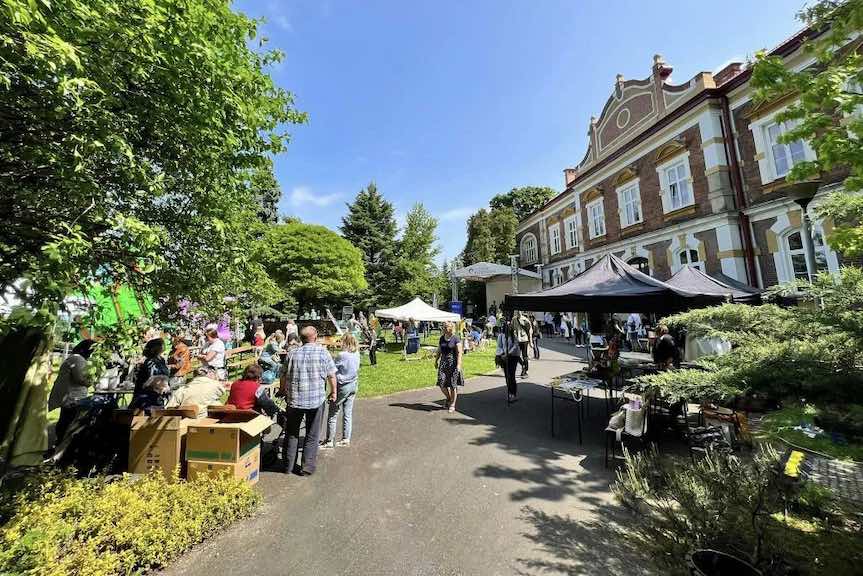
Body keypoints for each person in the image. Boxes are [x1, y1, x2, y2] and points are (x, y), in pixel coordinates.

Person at [279, 326, 337, 476]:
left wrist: (282, 389)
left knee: (291, 433)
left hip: (294, 400)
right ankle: (307, 467)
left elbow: (283, 375)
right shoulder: (323, 352)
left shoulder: (292, 353)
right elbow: (331, 375)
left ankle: (288, 466)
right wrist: (334, 392)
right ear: (315, 336)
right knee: (312, 434)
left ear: (301, 338)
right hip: (315, 401)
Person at [49, 339, 97, 444]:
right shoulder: (78, 360)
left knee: (65, 419)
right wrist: (91, 381)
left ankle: (59, 441)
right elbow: (80, 378)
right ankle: (62, 443)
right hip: (72, 397)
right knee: (69, 420)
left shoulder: (74, 358)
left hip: (70, 395)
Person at [322, 334, 360, 448]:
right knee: (347, 413)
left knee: (333, 413)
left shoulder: (342, 355)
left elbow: (331, 367)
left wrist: (326, 353)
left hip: (342, 386)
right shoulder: (356, 353)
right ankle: (346, 438)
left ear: (345, 342)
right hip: (353, 384)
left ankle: (329, 441)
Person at [435, 321, 463, 413]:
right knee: (441, 383)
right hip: (443, 363)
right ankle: (448, 398)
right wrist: (436, 360)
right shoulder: (442, 338)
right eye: (443, 327)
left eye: (446, 327)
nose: (444, 328)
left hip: (453, 364)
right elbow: (439, 350)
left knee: (452, 385)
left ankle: (452, 404)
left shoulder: (456, 338)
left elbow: (459, 353)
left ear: (451, 328)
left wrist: (458, 365)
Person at [503, 322, 522, 402]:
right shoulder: (502, 336)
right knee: (507, 376)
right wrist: (502, 354)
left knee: (511, 375)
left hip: (513, 357)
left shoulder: (514, 337)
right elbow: (499, 346)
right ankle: (510, 392)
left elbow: (515, 346)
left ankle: (513, 393)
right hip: (504, 357)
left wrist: (508, 353)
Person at [514, 312, 531, 377]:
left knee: (523, 355)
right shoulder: (515, 319)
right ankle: (524, 366)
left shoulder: (525, 320)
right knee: (518, 355)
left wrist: (530, 341)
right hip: (521, 339)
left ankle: (525, 370)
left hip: (523, 340)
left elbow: (529, 331)